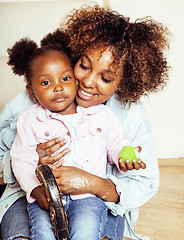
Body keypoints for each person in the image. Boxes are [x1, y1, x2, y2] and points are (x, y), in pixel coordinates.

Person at [0, 5, 170, 240]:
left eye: (106, 77)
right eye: (84, 65)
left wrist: (95, 184)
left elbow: (142, 179)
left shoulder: (123, 113)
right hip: (35, 195)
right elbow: (9, 160)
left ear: (124, 82)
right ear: (75, 55)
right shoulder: (32, 102)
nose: (88, 81)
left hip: (97, 200)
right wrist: (33, 162)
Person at [9, 32, 136, 240]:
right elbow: (21, 160)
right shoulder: (29, 120)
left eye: (65, 78)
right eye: (45, 83)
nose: (58, 87)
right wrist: (36, 190)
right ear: (31, 93)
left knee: (86, 231)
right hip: (47, 196)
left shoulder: (102, 116)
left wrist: (126, 154)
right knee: (42, 234)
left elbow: (116, 143)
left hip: (87, 197)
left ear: (75, 82)